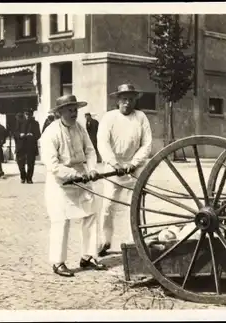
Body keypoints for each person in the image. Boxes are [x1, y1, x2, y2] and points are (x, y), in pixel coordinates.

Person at [41, 94, 107, 277]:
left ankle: (89, 256)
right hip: (60, 182)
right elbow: (52, 165)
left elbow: (90, 150)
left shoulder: (80, 128)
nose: (73, 113)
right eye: (69, 110)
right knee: (61, 220)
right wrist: (73, 174)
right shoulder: (51, 133)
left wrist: (92, 169)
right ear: (60, 112)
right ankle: (58, 262)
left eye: (75, 109)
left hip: (82, 178)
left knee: (91, 214)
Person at [97, 83, 152, 257]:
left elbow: (147, 144)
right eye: (123, 99)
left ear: (135, 100)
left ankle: (133, 242)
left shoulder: (141, 117)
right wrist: (115, 163)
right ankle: (105, 241)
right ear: (118, 101)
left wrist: (134, 163)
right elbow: (103, 143)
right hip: (114, 168)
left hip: (134, 169)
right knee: (108, 206)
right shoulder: (109, 118)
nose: (127, 103)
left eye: (130, 99)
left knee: (134, 207)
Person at [15, 108, 41, 184]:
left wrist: (32, 135)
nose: (27, 116)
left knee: (31, 163)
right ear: (24, 114)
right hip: (21, 145)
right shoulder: (19, 122)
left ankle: (29, 178)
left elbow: (38, 134)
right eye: (26, 114)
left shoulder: (35, 123)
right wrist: (20, 134)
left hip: (31, 145)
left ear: (32, 115)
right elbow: (15, 132)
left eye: (29, 114)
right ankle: (23, 177)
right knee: (20, 162)